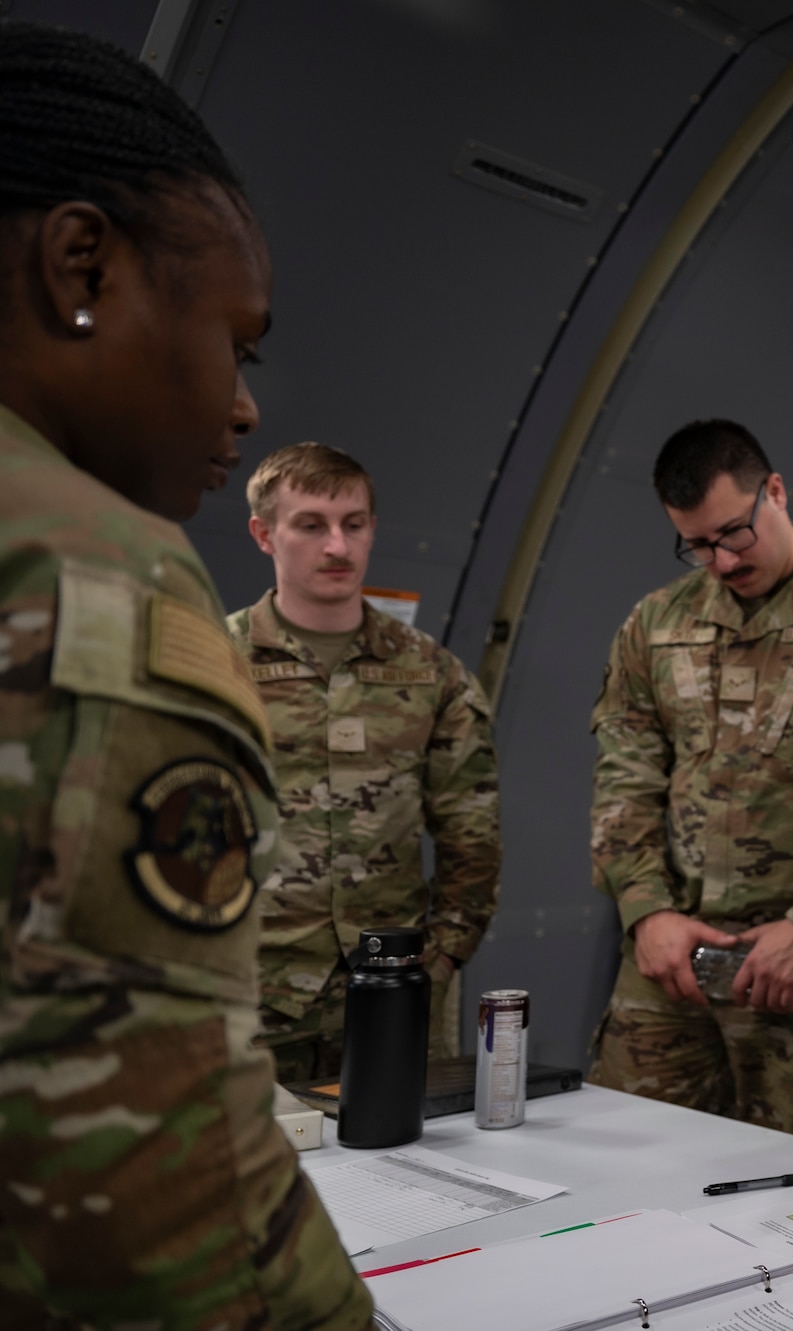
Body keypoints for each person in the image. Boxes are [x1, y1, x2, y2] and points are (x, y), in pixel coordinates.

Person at [0, 22, 368, 1326]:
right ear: (81, 264)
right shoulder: (90, 569)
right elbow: (150, 1189)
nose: (244, 403)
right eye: (237, 340)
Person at [586, 420, 793, 1146]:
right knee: (628, 1171)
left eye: (733, 534)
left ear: (774, 492)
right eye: (696, 543)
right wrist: (645, 908)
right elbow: (624, 776)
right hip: (671, 974)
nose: (718, 560)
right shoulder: (655, 624)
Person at [227, 443, 501, 1082]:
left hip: (390, 992)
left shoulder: (431, 673)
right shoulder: (215, 660)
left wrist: (436, 965)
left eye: (354, 524)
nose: (338, 547)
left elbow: (473, 839)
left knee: (403, 1172)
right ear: (264, 534)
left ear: (373, 529)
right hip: (250, 998)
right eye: (311, 525)